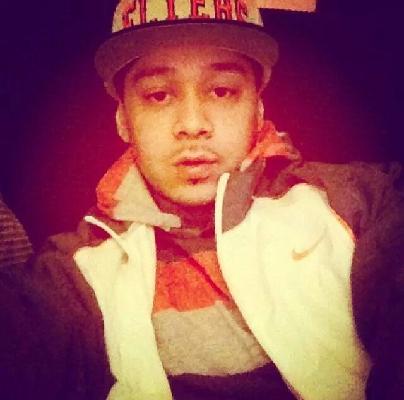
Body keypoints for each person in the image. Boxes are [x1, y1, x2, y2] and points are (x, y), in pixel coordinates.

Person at [1, 1, 403, 399]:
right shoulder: (75, 276)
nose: (193, 125)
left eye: (222, 91)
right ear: (123, 120)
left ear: (258, 110)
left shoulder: (360, 203)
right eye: (158, 95)